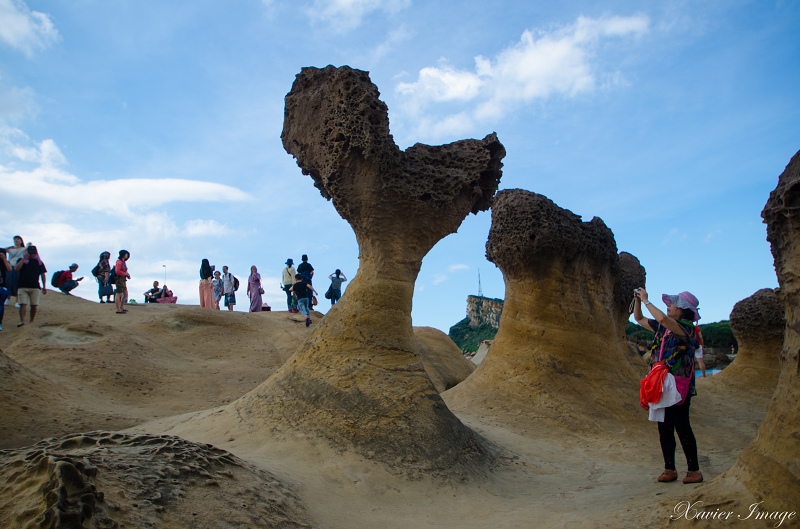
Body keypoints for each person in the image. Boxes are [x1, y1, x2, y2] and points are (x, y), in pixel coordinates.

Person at [633, 287, 703, 485]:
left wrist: (647, 301)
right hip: (661, 384)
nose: (669, 306)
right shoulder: (664, 328)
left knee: (682, 426)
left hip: (679, 386)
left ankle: (694, 470)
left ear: (683, 310)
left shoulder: (687, 328)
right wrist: (638, 301)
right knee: (664, 428)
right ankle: (669, 469)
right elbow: (639, 318)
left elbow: (664, 320)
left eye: (673, 304)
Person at [14, 245, 47, 327]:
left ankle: (31, 321)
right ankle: (22, 321)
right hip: (23, 286)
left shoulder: (39, 262)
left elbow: (43, 274)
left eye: (34, 253)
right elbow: (16, 268)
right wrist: (23, 259)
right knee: (22, 304)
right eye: (31, 253)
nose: (32, 255)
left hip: (35, 286)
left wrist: (44, 286)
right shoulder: (22, 261)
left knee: (34, 305)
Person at [5, 236, 26, 303]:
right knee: (8, 282)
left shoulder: (23, 249)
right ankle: (8, 298)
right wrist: (10, 247)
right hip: (10, 266)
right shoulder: (11, 249)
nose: (16, 241)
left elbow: (28, 249)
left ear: (21, 241)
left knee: (17, 283)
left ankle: (17, 300)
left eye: (18, 239)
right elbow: (2, 250)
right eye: (15, 240)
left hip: (18, 266)